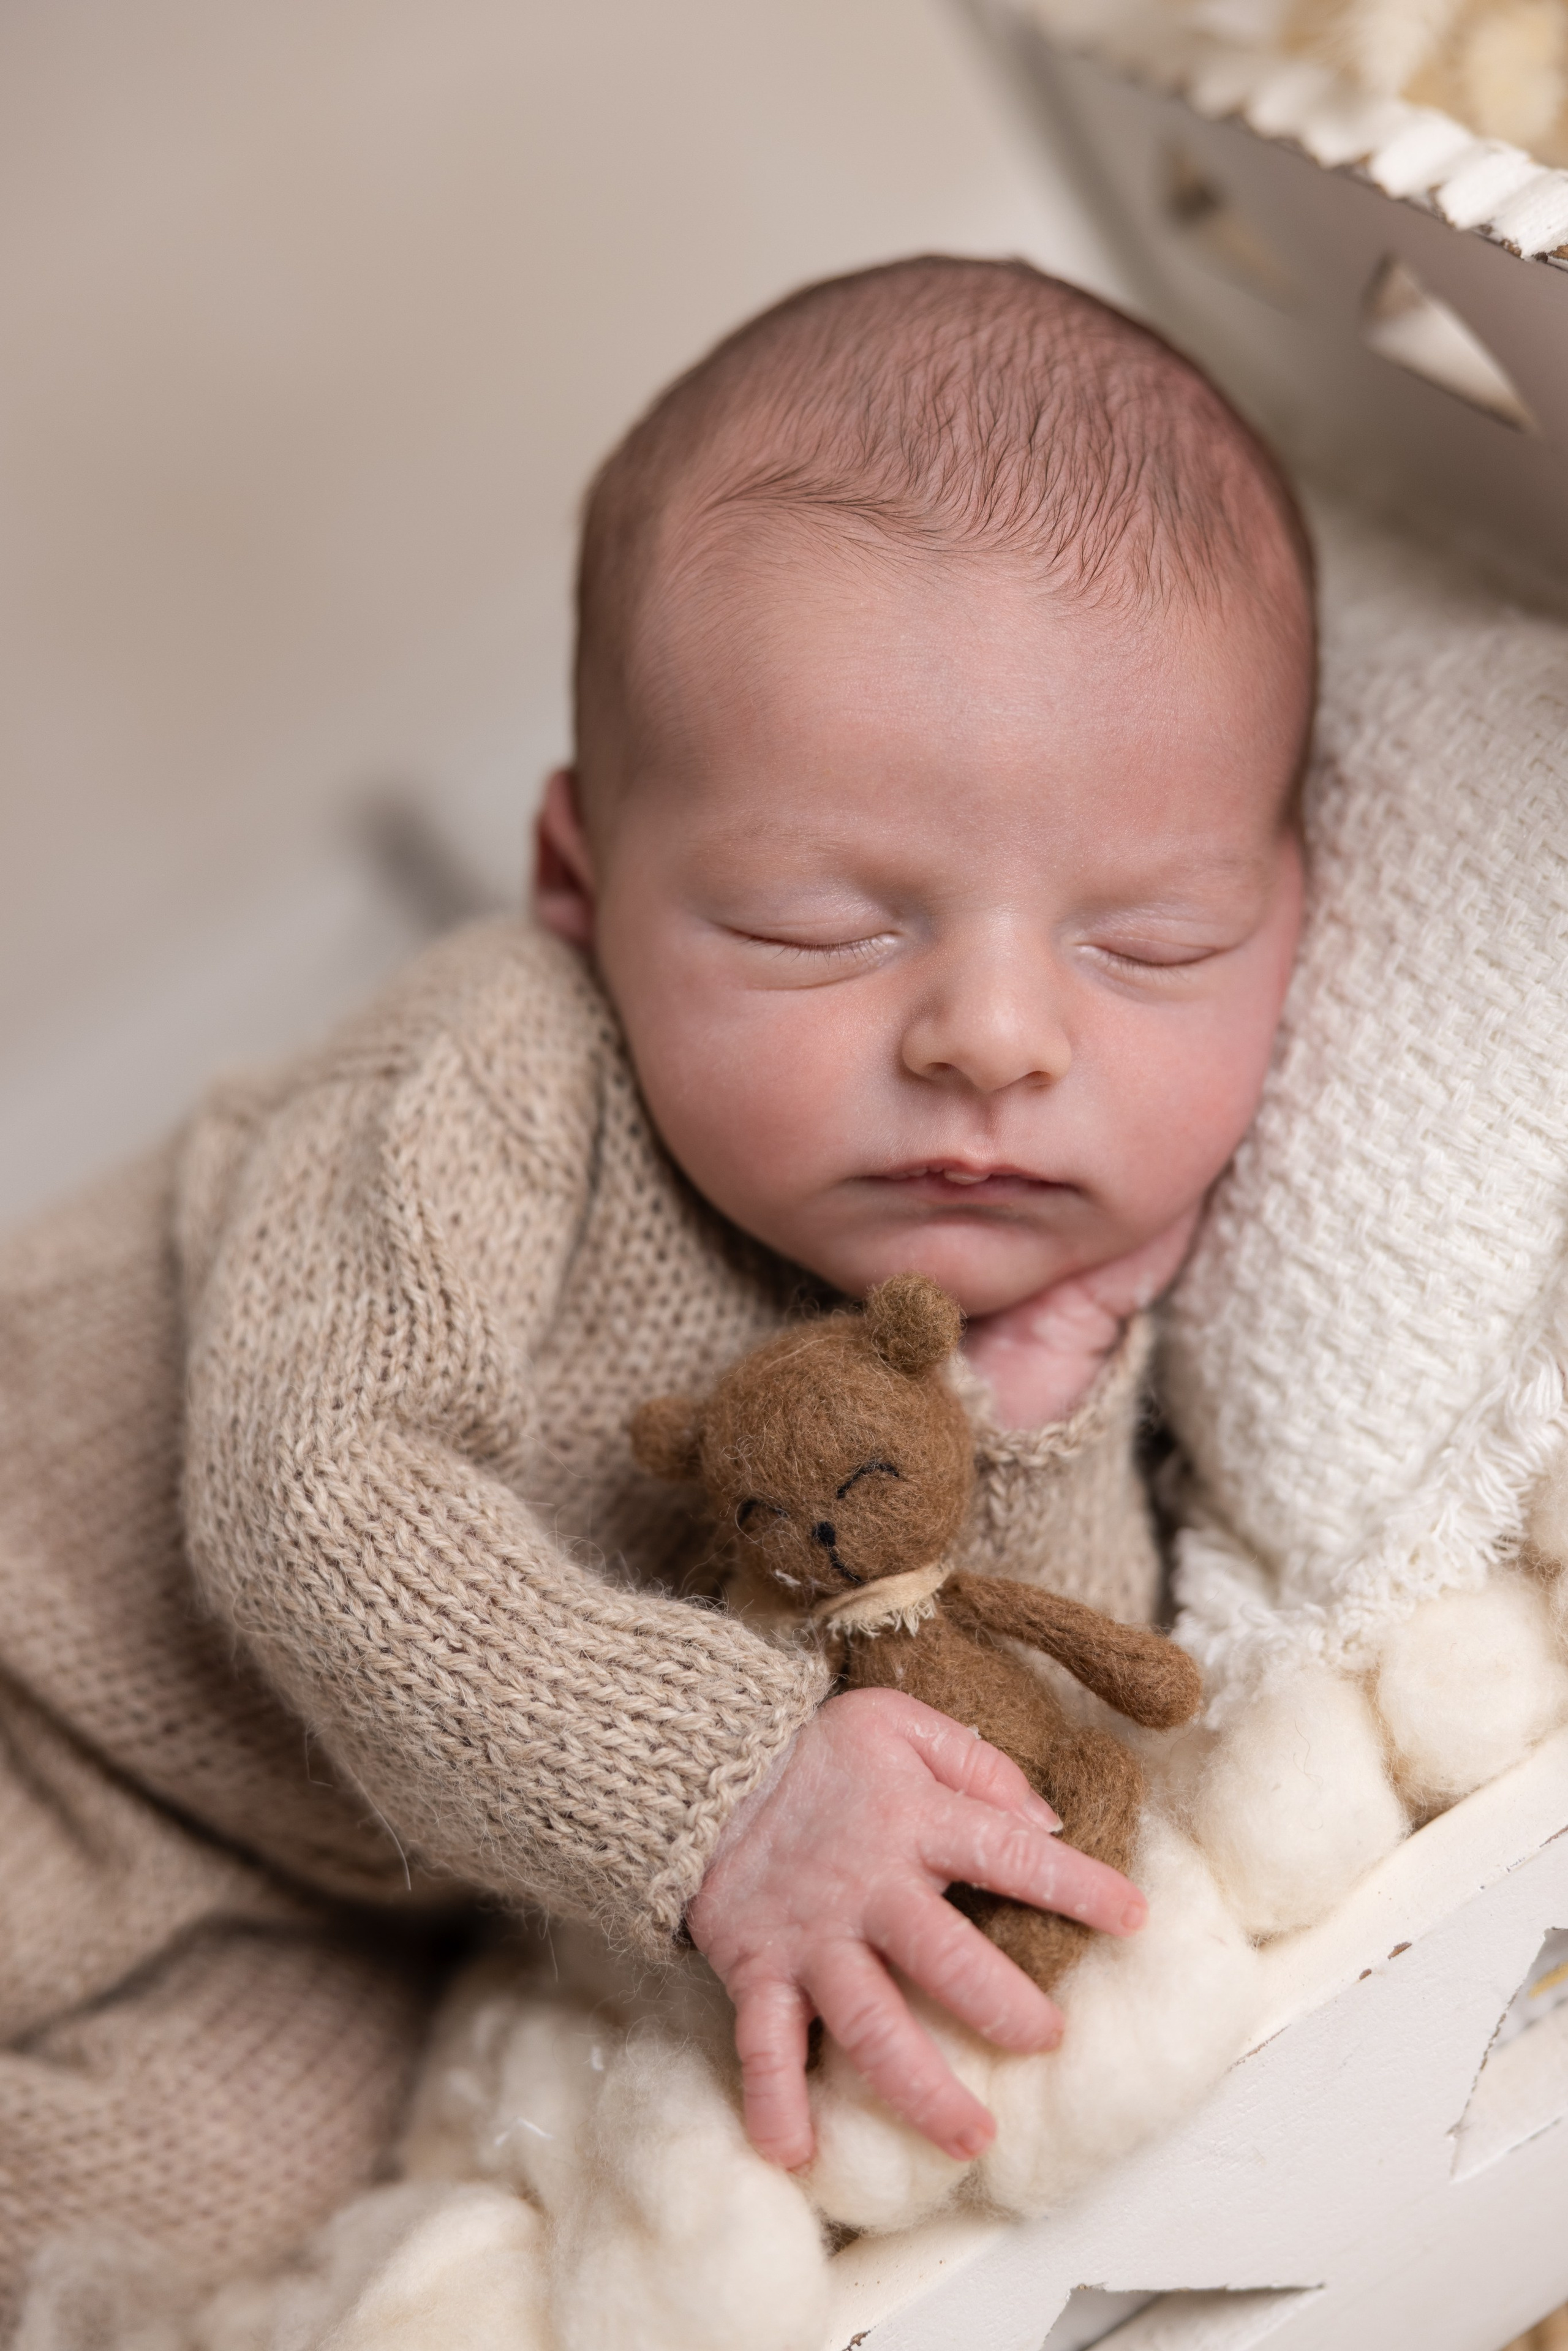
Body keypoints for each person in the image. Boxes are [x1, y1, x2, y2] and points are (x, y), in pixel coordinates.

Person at [0, 255, 1313, 2309]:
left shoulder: (1016, 1297)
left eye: (1144, 945)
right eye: (815, 927)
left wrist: (1044, 1398)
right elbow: (310, 1502)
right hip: (47, 1682)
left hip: (330, 1892)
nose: (991, 1035)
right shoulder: (499, 1066)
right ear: (579, 888)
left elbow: (980, 1719)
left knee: (178, 2215)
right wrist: (722, 1784)